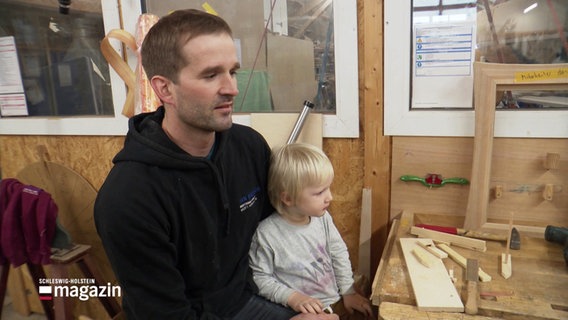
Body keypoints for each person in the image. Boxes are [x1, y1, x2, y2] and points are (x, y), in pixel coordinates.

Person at [94, 9, 337, 320]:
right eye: (211, 75)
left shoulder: (248, 147)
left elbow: (277, 227)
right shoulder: (128, 199)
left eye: (232, 71)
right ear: (164, 88)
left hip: (246, 297)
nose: (232, 89)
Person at [249, 143, 375, 320]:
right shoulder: (265, 234)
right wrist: (293, 298)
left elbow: (337, 251)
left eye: (328, 188)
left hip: (336, 301)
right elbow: (260, 279)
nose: (329, 197)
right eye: (319, 192)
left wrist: (348, 291)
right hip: (304, 313)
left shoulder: (322, 218)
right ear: (288, 198)